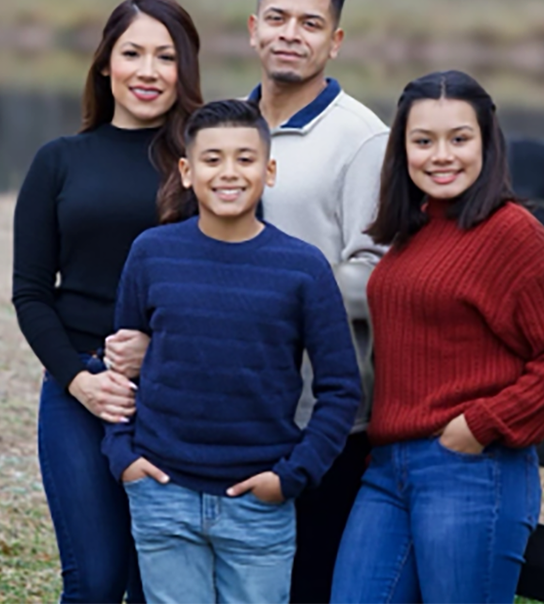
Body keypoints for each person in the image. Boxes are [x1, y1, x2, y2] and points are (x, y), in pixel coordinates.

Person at [330, 70, 544, 604]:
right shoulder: (414, 230)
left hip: (470, 471)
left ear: (486, 142)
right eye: (423, 141)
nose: (441, 155)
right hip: (388, 469)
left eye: (459, 138)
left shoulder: (512, 233)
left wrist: (479, 425)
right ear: (402, 148)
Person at [103, 99, 362, 604]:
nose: (228, 172)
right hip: (162, 493)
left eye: (245, 159)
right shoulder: (151, 253)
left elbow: (340, 388)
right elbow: (121, 367)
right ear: (186, 171)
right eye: (212, 158)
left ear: (269, 170)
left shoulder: (303, 268)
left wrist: (291, 476)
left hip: (259, 503)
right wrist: (123, 455)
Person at [11, 0, 202, 604]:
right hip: (78, 390)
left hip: (174, 392)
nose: (148, 71)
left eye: (165, 57)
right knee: (94, 581)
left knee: (156, 586)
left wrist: (161, 348)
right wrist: (77, 380)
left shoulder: (203, 166)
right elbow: (31, 293)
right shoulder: (59, 162)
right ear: (104, 64)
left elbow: (227, 281)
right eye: (132, 53)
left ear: (184, 71)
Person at [245, 0, 389, 602]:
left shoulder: (363, 140)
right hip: (230, 405)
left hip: (321, 417)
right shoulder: (226, 126)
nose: (290, 34)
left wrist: (277, 289)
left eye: (311, 24)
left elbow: (380, 274)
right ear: (253, 29)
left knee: (307, 584)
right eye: (277, 18)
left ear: (334, 42)